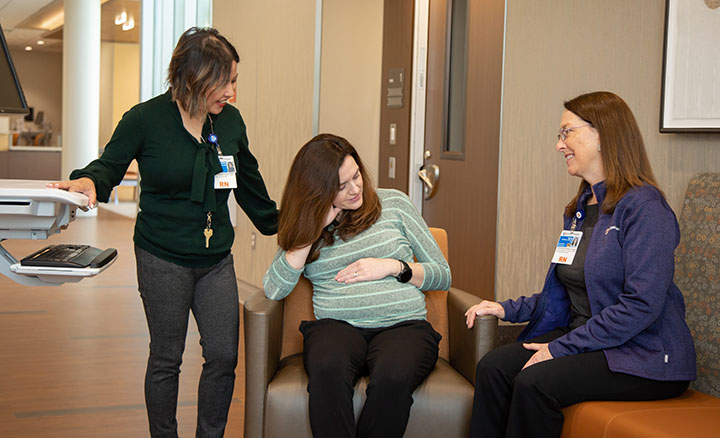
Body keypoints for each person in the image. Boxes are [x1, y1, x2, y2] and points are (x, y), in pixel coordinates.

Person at [49, 27, 278, 438]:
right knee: (167, 358)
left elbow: (249, 184)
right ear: (194, 78)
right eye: (224, 82)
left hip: (215, 259)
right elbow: (108, 165)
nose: (232, 93)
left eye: (234, 81)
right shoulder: (146, 119)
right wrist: (88, 183)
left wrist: (289, 225)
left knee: (224, 356)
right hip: (162, 257)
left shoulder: (230, 123)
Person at [464, 91, 696, 438]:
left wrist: (559, 349)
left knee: (534, 383)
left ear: (603, 134)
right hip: (591, 340)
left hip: (643, 355)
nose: (560, 145)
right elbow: (565, 290)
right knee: (494, 367)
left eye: (566, 133)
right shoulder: (580, 208)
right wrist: (506, 308)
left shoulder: (645, 209)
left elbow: (641, 305)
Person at [263, 133, 451, 438]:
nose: (355, 189)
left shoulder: (395, 204)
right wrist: (313, 228)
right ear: (318, 191)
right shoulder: (312, 225)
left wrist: (393, 267)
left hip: (403, 326)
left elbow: (442, 273)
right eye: (341, 186)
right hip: (336, 327)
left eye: (357, 175)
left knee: (393, 377)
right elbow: (274, 288)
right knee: (327, 371)